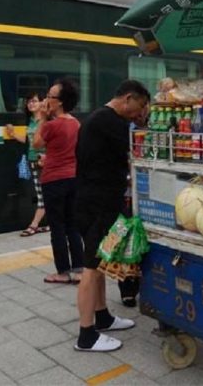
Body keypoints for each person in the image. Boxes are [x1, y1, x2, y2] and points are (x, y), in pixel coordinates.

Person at [75, 80, 150, 352]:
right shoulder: (112, 122)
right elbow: (138, 151)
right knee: (91, 268)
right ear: (128, 98)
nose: (138, 114)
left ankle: (102, 316)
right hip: (97, 205)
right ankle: (86, 335)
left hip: (92, 202)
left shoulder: (98, 118)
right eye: (139, 108)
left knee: (99, 262)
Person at [33, 80, 85, 283]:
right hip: (73, 178)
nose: (46, 99)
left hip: (53, 179)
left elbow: (37, 143)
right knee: (72, 224)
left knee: (57, 226)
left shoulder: (51, 125)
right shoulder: (76, 123)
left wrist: (42, 118)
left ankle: (63, 272)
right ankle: (79, 268)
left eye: (50, 96)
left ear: (60, 102)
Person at [6, 92, 50, 236]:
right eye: (29, 102)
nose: (31, 104)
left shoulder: (48, 121)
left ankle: (34, 225)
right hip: (33, 161)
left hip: (45, 162)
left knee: (43, 195)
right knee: (45, 194)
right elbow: (28, 141)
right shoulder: (30, 120)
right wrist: (12, 134)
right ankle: (52, 223)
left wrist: (47, 157)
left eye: (34, 101)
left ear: (42, 103)